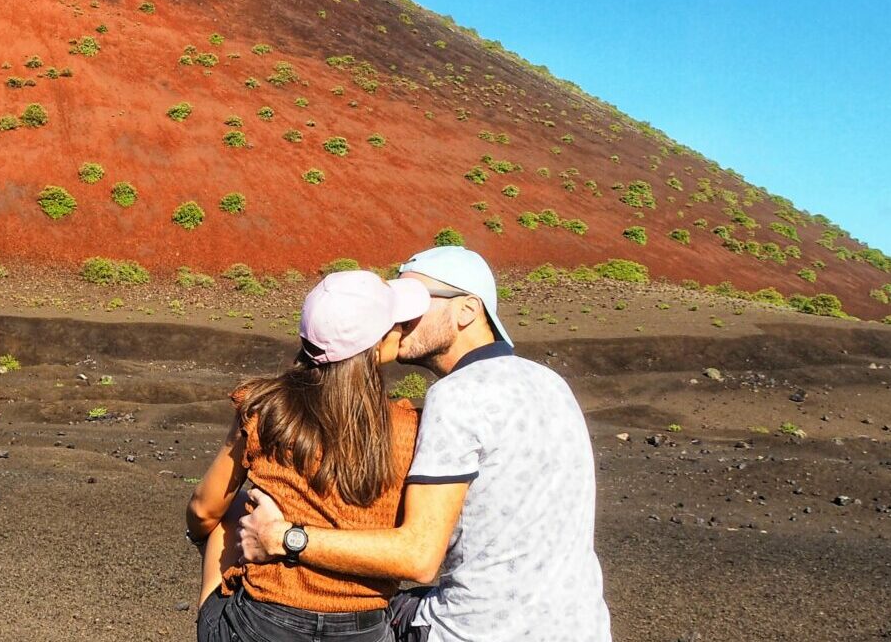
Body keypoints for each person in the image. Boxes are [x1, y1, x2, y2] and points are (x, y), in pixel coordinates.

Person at [235, 247, 612, 642]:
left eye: (415, 304)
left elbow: (418, 558)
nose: (397, 320)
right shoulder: (550, 382)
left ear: (467, 310)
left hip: (476, 631)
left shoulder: (457, 396)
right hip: (579, 627)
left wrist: (286, 537)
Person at [186, 270, 432, 642]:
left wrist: (197, 536)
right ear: (377, 345)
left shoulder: (267, 410)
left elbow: (203, 510)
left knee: (231, 507)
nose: (402, 327)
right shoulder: (409, 429)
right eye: (395, 324)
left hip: (264, 623)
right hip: (364, 627)